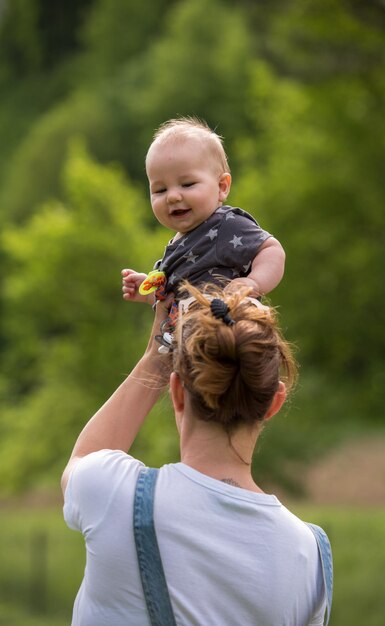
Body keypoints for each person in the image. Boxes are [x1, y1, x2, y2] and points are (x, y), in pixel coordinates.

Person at [62, 282, 332, 626]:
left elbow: (82, 458)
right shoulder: (311, 557)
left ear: (177, 391)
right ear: (273, 403)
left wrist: (158, 353)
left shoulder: (115, 493)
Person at [122, 117, 285, 348]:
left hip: (228, 338)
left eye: (187, 184)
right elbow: (176, 298)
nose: (173, 196)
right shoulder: (180, 243)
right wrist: (150, 293)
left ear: (222, 187)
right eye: (160, 189)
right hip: (188, 350)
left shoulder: (224, 225)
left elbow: (272, 250)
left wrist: (252, 282)